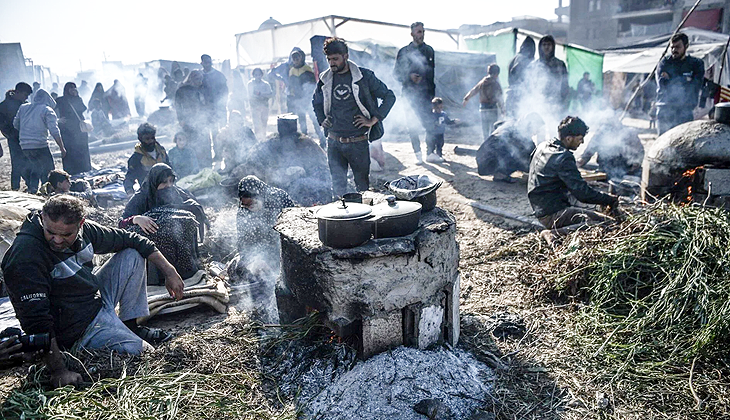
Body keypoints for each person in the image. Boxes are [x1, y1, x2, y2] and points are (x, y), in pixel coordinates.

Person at [2, 195, 184, 388]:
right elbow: (36, 321)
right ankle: (107, 335)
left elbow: (133, 239)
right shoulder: (26, 255)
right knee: (145, 354)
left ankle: (130, 325)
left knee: (132, 254)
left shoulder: (86, 230)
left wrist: (169, 271)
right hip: (75, 327)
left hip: (92, 298)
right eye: (50, 232)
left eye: (66, 235)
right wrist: (59, 370)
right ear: (42, 219)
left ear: (81, 224)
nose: (56, 240)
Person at [313, 37, 396, 198]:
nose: (332, 63)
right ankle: (340, 222)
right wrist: (322, 119)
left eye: (335, 59)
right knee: (338, 189)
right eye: (329, 59)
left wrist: (373, 119)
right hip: (334, 142)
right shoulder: (325, 78)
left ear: (346, 56)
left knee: (363, 189)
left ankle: (363, 222)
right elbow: (315, 101)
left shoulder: (364, 76)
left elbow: (389, 96)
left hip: (358, 142)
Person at [528, 116, 618, 242]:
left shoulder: (543, 146)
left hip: (540, 207)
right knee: (607, 224)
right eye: (580, 139)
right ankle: (552, 233)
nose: (582, 143)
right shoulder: (564, 157)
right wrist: (608, 199)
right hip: (552, 214)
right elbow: (583, 194)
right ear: (569, 138)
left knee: (594, 215)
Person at [120, 164, 206, 281]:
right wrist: (137, 219)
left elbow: (194, 205)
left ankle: (185, 272)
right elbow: (121, 224)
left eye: (171, 181)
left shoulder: (175, 192)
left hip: (176, 241)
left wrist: (177, 210)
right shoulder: (141, 197)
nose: (168, 186)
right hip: (153, 242)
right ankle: (158, 278)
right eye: (164, 182)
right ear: (155, 182)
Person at [394, 22, 435, 164]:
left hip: (425, 95)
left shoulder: (429, 51)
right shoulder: (403, 52)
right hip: (409, 95)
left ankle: (430, 153)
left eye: (423, 31)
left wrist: (432, 95)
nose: (421, 34)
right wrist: (409, 77)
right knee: (412, 125)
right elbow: (396, 74)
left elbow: (432, 74)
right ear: (412, 34)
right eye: (418, 32)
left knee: (430, 124)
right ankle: (418, 155)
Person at [13, 89, 67, 194]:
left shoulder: (23, 107)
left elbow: (15, 124)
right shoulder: (47, 110)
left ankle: (32, 189)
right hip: (40, 145)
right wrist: (62, 147)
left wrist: (26, 133)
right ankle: (48, 191)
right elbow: (54, 131)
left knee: (35, 167)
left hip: (25, 145)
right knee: (49, 170)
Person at [236, 175, 294, 265]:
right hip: (262, 252)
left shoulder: (280, 198)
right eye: (246, 205)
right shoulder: (243, 211)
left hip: (284, 247)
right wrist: (250, 259)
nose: (249, 208)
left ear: (260, 196)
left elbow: (294, 224)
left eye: (252, 203)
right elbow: (243, 240)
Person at [655, 32, 705, 135]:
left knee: (684, 144)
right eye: (672, 47)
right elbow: (663, 84)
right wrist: (686, 79)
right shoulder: (664, 63)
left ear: (686, 46)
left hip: (685, 110)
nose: (674, 50)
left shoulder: (696, 64)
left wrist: (672, 79)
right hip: (665, 109)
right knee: (662, 143)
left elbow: (696, 85)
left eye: (677, 47)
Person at [477, 113, 545, 182]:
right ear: (530, 124)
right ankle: (500, 174)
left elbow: (496, 124)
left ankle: (500, 171)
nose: (537, 131)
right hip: (487, 161)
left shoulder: (514, 124)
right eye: (537, 127)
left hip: (483, 156)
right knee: (519, 155)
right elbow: (532, 157)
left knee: (520, 153)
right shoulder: (519, 134)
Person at [576, 119, 644, 181]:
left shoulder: (629, 134)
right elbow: (587, 154)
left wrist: (635, 165)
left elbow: (640, 153)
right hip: (605, 170)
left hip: (625, 171)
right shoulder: (600, 134)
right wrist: (578, 163)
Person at [0, 82, 33, 191]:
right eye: (25, 95)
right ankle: (15, 188)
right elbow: (2, 125)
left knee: (29, 162)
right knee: (17, 163)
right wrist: (10, 135)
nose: (26, 98)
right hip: (14, 139)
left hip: (27, 138)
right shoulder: (4, 106)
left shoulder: (25, 104)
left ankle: (30, 185)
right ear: (17, 92)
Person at [528, 35, 569, 121]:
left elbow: (565, 85)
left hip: (556, 103)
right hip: (539, 103)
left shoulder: (560, 64)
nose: (546, 47)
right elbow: (529, 85)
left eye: (549, 45)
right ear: (540, 47)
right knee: (539, 130)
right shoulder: (534, 66)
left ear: (553, 46)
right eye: (544, 45)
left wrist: (563, 102)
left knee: (554, 128)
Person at [175, 70, 211, 169]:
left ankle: (207, 167)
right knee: (192, 145)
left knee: (205, 144)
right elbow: (178, 106)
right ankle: (194, 167)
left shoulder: (203, 89)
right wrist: (181, 119)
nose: (199, 81)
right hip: (188, 122)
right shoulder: (182, 90)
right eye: (197, 79)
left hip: (202, 121)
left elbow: (207, 104)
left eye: (200, 79)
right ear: (191, 79)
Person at [55, 82, 92, 175]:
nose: (72, 90)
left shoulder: (78, 99)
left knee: (82, 149)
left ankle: (85, 169)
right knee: (69, 150)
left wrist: (77, 97)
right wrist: (58, 120)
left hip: (79, 129)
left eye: (74, 88)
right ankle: (70, 171)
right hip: (67, 130)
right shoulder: (60, 100)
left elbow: (83, 108)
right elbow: (52, 111)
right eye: (70, 88)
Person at [124, 122, 169, 195]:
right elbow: (130, 177)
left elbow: (170, 168)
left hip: (167, 189)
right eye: (147, 139)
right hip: (148, 192)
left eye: (152, 138)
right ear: (141, 139)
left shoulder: (162, 151)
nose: (151, 141)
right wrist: (129, 191)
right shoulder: (136, 158)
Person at [463, 63, 503, 142]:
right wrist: (503, 109)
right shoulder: (496, 84)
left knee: (485, 129)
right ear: (496, 74)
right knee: (493, 128)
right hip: (493, 109)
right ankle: (491, 144)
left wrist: (466, 98)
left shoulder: (482, 82)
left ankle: (485, 143)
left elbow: (474, 90)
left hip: (483, 108)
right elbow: (500, 98)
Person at [200, 54, 228, 160]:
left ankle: (221, 153)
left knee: (220, 132)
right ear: (202, 63)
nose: (208, 64)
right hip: (205, 110)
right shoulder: (200, 75)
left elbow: (225, 91)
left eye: (209, 62)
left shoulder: (219, 75)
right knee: (209, 133)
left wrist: (221, 104)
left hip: (218, 109)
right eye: (205, 62)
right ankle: (210, 155)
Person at [505, 37, 536, 118]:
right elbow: (515, 70)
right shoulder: (522, 58)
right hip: (517, 97)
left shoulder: (515, 58)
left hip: (511, 94)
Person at [425, 97, 458, 163]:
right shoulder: (431, 115)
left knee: (440, 145)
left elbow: (448, 121)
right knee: (431, 145)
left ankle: (439, 156)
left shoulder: (443, 114)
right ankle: (429, 156)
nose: (440, 110)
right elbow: (427, 123)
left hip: (440, 133)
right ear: (433, 107)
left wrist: (454, 121)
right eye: (438, 108)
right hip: (431, 134)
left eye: (441, 108)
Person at [248, 68, 273, 140]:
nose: (258, 76)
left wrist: (260, 94)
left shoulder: (265, 84)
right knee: (256, 124)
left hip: (264, 106)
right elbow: (251, 95)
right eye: (256, 75)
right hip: (255, 106)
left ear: (262, 75)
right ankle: (257, 139)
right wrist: (262, 95)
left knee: (264, 123)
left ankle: (264, 138)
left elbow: (270, 94)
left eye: (259, 75)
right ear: (253, 75)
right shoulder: (250, 84)